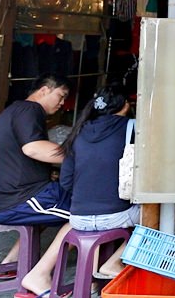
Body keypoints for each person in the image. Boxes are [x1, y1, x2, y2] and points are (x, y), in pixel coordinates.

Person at [0, 74, 73, 298]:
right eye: (61, 96)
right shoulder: (29, 109)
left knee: (53, 204)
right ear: (44, 90)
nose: (63, 103)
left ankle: (13, 260)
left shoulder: (15, 113)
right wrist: (82, 157)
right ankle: (39, 275)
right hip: (9, 200)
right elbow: (33, 149)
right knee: (89, 212)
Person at [59, 84, 139, 280]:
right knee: (156, 215)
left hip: (78, 218)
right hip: (116, 215)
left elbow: (66, 181)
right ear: (126, 106)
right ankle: (114, 261)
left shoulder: (78, 131)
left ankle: (93, 275)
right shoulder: (132, 128)